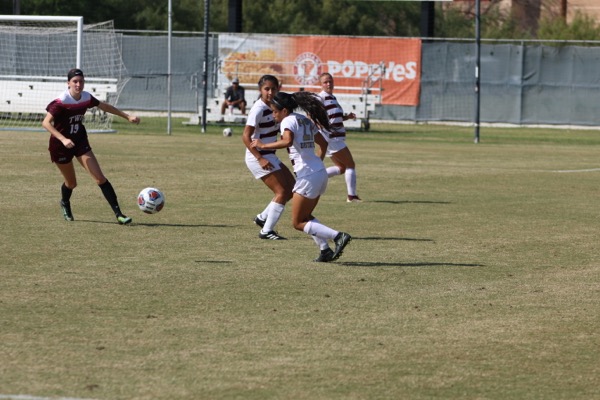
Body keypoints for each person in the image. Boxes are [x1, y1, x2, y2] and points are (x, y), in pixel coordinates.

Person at [251, 91, 352, 262]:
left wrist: (263, 145)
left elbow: (287, 141)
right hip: (318, 173)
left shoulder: (287, 121)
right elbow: (323, 143)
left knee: (298, 223)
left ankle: (338, 236)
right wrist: (316, 164)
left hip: (308, 176)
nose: (273, 114)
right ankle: (324, 249)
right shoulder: (303, 119)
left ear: (284, 110)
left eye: (275, 111)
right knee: (306, 216)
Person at [42, 68, 140, 225]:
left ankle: (119, 215)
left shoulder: (86, 98)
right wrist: (63, 139)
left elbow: (104, 106)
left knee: (100, 178)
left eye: (81, 81)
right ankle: (65, 203)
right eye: (75, 81)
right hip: (60, 146)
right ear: (68, 83)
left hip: (80, 141)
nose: (78, 84)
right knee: (71, 183)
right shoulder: (61, 101)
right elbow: (46, 123)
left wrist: (127, 116)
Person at [242, 75, 295, 240]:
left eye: (273, 88)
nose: (270, 92)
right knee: (282, 191)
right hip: (258, 156)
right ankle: (267, 231)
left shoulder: (276, 108)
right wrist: (260, 158)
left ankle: (262, 218)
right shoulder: (258, 109)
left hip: (269, 154)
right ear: (260, 90)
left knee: (293, 188)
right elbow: (245, 136)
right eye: (267, 89)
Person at [317, 72, 362, 203]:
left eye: (330, 81)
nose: (329, 84)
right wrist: (318, 125)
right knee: (350, 165)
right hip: (333, 138)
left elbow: (334, 117)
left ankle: (315, 178)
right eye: (325, 82)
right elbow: (311, 114)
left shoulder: (332, 97)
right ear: (321, 84)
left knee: (341, 168)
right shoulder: (321, 98)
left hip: (334, 138)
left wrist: (347, 117)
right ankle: (351, 196)